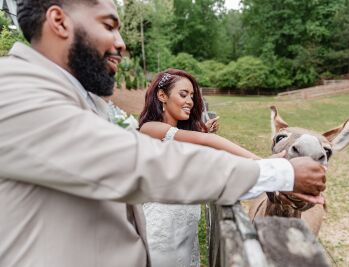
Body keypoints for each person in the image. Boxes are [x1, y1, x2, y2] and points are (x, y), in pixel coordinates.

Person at [0, 1, 326, 267]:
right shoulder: (13, 92)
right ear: (59, 21)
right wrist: (278, 171)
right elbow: (140, 162)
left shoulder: (74, 99)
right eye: (109, 25)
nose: (121, 44)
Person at [138, 69, 262, 267]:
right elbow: (203, 141)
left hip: (186, 230)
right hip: (162, 231)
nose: (190, 101)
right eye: (183, 94)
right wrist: (259, 161)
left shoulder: (176, 133)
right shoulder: (150, 128)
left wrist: (202, 128)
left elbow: (185, 142)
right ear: (162, 95)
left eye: (192, 96)